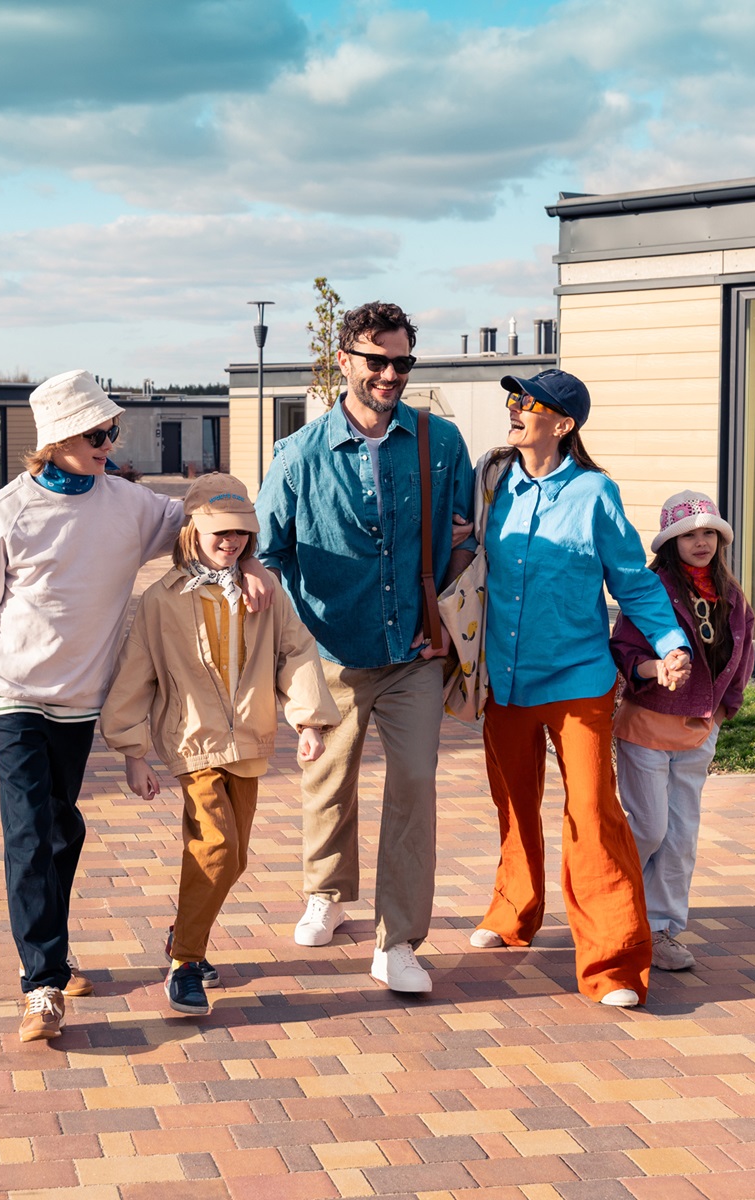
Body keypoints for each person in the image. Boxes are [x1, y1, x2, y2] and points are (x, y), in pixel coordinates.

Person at [0, 370, 275, 1043]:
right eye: (98, 433)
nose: (110, 443)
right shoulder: (5, 513)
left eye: (111, 432)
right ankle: (40, 985)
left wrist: (250, 564)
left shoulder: (129, 505)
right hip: (12, 692)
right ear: (60, 436)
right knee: (30, 832)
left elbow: (206, 517)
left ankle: (55, 953)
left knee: (64, 828)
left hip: (80, 702)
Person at [255, 300, 474, 994]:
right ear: (343, 361)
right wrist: (300, 643)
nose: (389, 374)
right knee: (328, 781)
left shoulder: (442, 444)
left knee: (414, 784)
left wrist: (441, 613)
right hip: (331, 652)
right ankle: (326, 892)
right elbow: (270, 555)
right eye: (376, 360)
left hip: (414, 654)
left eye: (402, 362)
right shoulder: (297, 456)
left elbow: (464, 539)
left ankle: (399, 940)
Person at [466, 368, 691, 1009]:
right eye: (513, 399)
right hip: (503, 683)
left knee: (592, 814)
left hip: (577, 681)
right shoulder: (491, 485)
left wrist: (671, 643)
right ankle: (514, 911)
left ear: (561, 425)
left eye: (527, 402)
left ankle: (614, 963)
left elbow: (633, 580)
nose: (513, 409)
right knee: (513, 805)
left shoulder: (595, 493)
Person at [100, 474, 340, 1017]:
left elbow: (296, 652)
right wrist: (132, 752)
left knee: (235, 858)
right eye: (219, 532)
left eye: (241, 534)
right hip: (193, 744)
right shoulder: (161, 602)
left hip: (251, 742)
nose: (231, 542)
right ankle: (185, 962)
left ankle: (184, 928)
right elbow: (135, 674)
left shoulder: (264, 593)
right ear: (192, 531)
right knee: (215, 848)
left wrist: (309, 722)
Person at [610, 492, 755, 973]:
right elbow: (625, 648)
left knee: (681, 837)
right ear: (670, 542)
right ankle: (610, 907)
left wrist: (723, 709)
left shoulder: (733, 597)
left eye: (709, 532)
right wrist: (657, 669)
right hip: (648, 727)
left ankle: (662, 928)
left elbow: (742, 655)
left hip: (698, 731)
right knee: (649, 827)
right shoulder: (652, 589)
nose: (701, 541)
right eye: (689, 534)